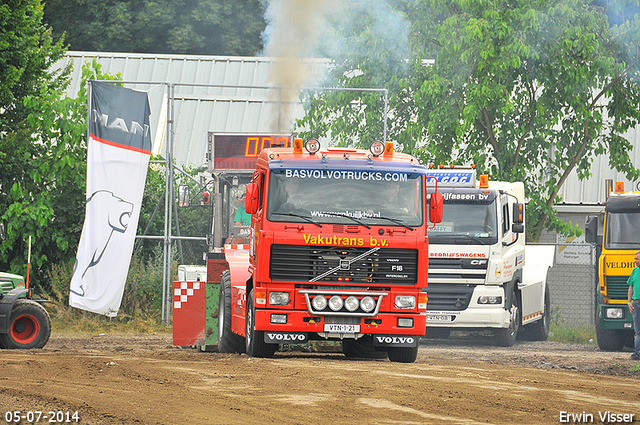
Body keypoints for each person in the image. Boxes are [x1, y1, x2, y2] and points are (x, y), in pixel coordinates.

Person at [628, 250, 640, 360]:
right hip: (636, 303)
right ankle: (637, 353)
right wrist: (629, 302)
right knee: (637, 330)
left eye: (637, 259)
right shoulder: (635, 271)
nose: (634, 261)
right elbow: (631, 287)